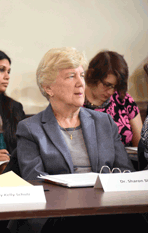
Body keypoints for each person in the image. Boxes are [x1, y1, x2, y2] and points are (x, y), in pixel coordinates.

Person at [10, 47, 143, 233]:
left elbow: (125, 172)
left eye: (82, 75)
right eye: (71, 76)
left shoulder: (104, 122)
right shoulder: (30, 129)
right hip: (59, 214)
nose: (81, 83)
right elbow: (36, 184)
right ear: (49, 88)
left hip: (105, 211)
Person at [83, 50, 142, 147]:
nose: (111, 92)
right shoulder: (77, 103)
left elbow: (139, 145)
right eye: (107, 85)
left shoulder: (124, 99)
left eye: (115, 87)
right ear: (92, 75)